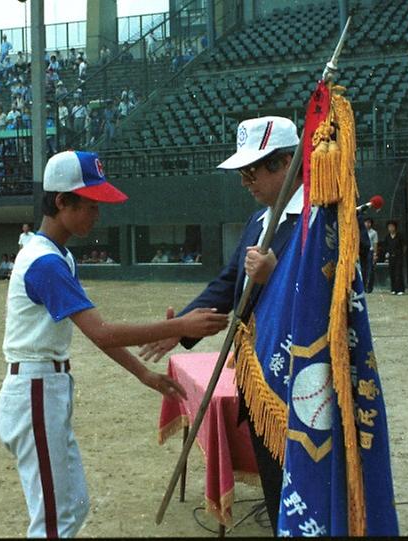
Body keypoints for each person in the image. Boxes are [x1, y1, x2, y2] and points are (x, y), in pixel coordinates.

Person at [0, 150, 228, 538]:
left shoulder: (58, 256)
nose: (97, 214)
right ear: (61, 201)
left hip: (46, 388)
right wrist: (183, 324)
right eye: (90, 204)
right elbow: (101, 332)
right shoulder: (44, 262)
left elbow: (96, 331)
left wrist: (143, 374)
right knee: (54, 521)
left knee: (73, 506)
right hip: (34, 389)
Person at [136, 116, 301, 534]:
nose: (245, 181)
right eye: (241, 173)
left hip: (301, 382)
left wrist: (277, 272)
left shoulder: (321, 220)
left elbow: (338, 288)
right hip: (259, 380)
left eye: (252, 171)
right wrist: (182, 328)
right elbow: (229, 283)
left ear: (286, 163)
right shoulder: (258, 221)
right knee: (273, 482)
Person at [383, 220, 406, 295]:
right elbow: (385, 246)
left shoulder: (400, 236)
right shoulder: (387, 237)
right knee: (392, 272)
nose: (391, 228)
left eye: (392, 226)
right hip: (391, 257)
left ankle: (400, 289)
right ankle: (393, 289)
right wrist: (386, 254)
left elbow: (404, 246)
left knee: (398, 273)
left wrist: (402, 254)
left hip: (398, 256)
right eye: (389, 227)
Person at [362, 216, 378, 293]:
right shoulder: (361, 232)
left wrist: (375, 254)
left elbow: (375, 244)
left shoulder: (374, 233)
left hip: (370, 252)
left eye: (369, 223)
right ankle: (363, 287)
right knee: (363, 270)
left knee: (370, 270)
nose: (367, 224)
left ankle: (369, 287)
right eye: (366, 222)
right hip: (363, 252)